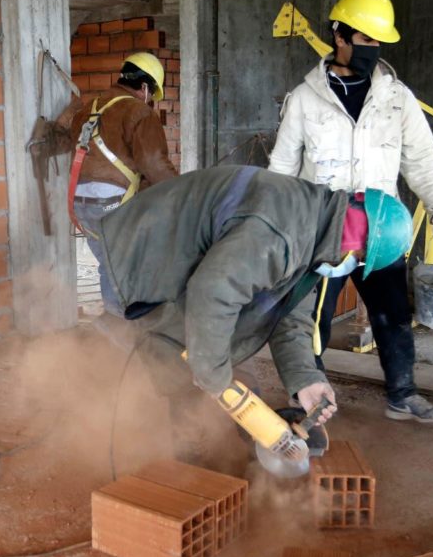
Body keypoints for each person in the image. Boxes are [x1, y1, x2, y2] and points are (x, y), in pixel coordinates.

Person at [267, 0, 433, 424]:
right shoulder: (304, 100)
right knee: (310, 320)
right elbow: (281, 170)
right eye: (366, 40)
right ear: (340, 35)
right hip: (324, 230)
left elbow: (422, 163)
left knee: (393, 314)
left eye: (379, 42)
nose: (373, 50)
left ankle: (404, 394)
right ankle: (311, 398)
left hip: (382, 231)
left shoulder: (398, 99)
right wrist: (277, 227)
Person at [98, 165, 353, 466]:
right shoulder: (280, 232)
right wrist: (216, 380)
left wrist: (304, 379)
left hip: (191, 267)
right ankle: (187, 460)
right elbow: (213, 292)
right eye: (359, 260)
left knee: (218, 360)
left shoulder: (315, 236)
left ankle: (212, 445)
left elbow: (291, 318)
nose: (353, 266)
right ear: (357, 237)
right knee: (177, 354)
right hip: (142, 255)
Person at [56, 52, 178, 317]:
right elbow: (154, 164)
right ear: (145, 88)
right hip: (114, 206)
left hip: (81, 206)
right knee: (135, 267)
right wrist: (183, 196)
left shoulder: (88, 107)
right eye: (152, 95)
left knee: (109, 267)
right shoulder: (138, 111)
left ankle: (114, 331)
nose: (151, 102)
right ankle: (129, 331)